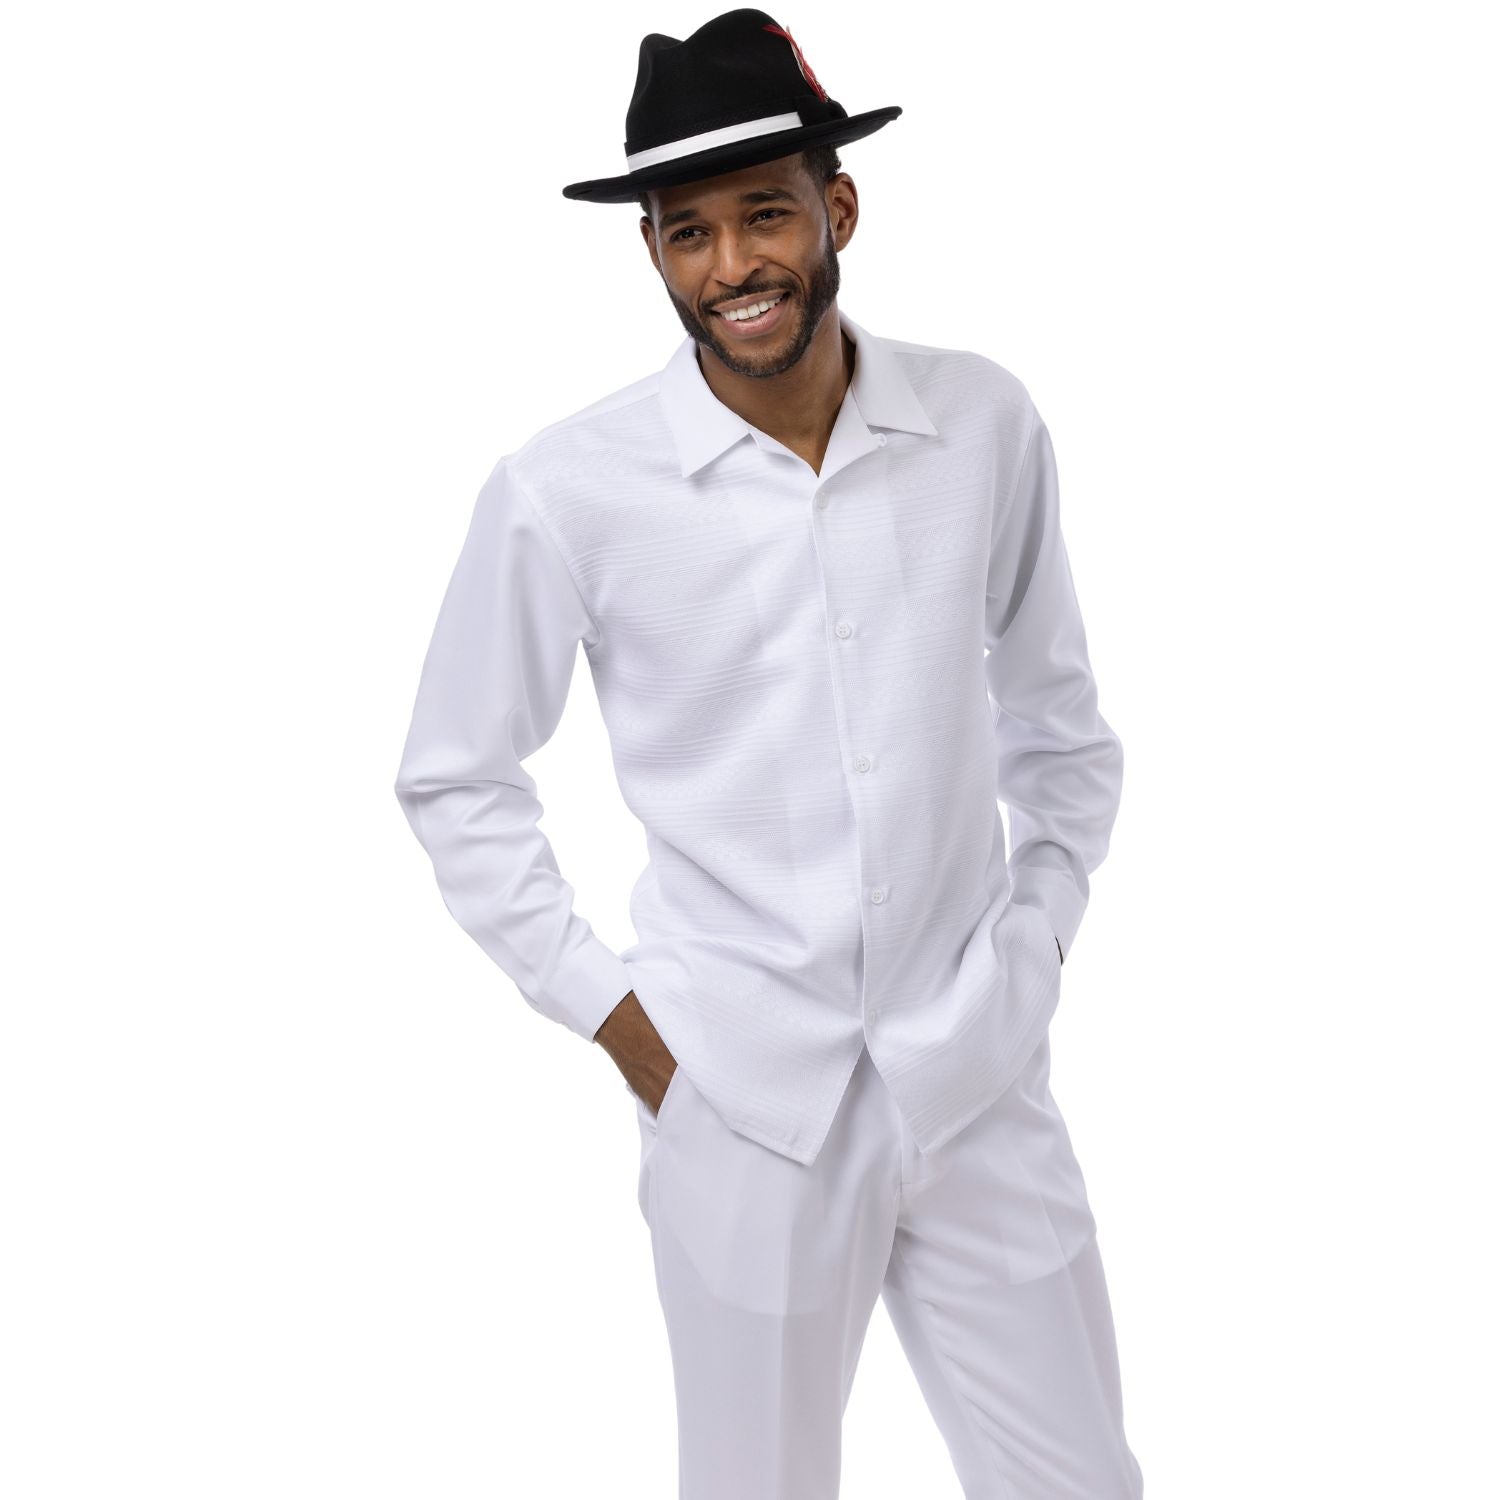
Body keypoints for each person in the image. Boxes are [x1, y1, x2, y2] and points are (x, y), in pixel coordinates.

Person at [393, 9, 1144, 1497]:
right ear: (654, 254)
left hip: (976, 1072)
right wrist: (623, 1023)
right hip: (742, 1104)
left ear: (837, 209)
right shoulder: (567, 491)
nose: (733, 264)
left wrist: (1039, 947)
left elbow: (1061, 724)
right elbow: (456, 777)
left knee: (1081, 1481)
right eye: (689, 232)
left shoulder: (984, 424)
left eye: (764, 214)